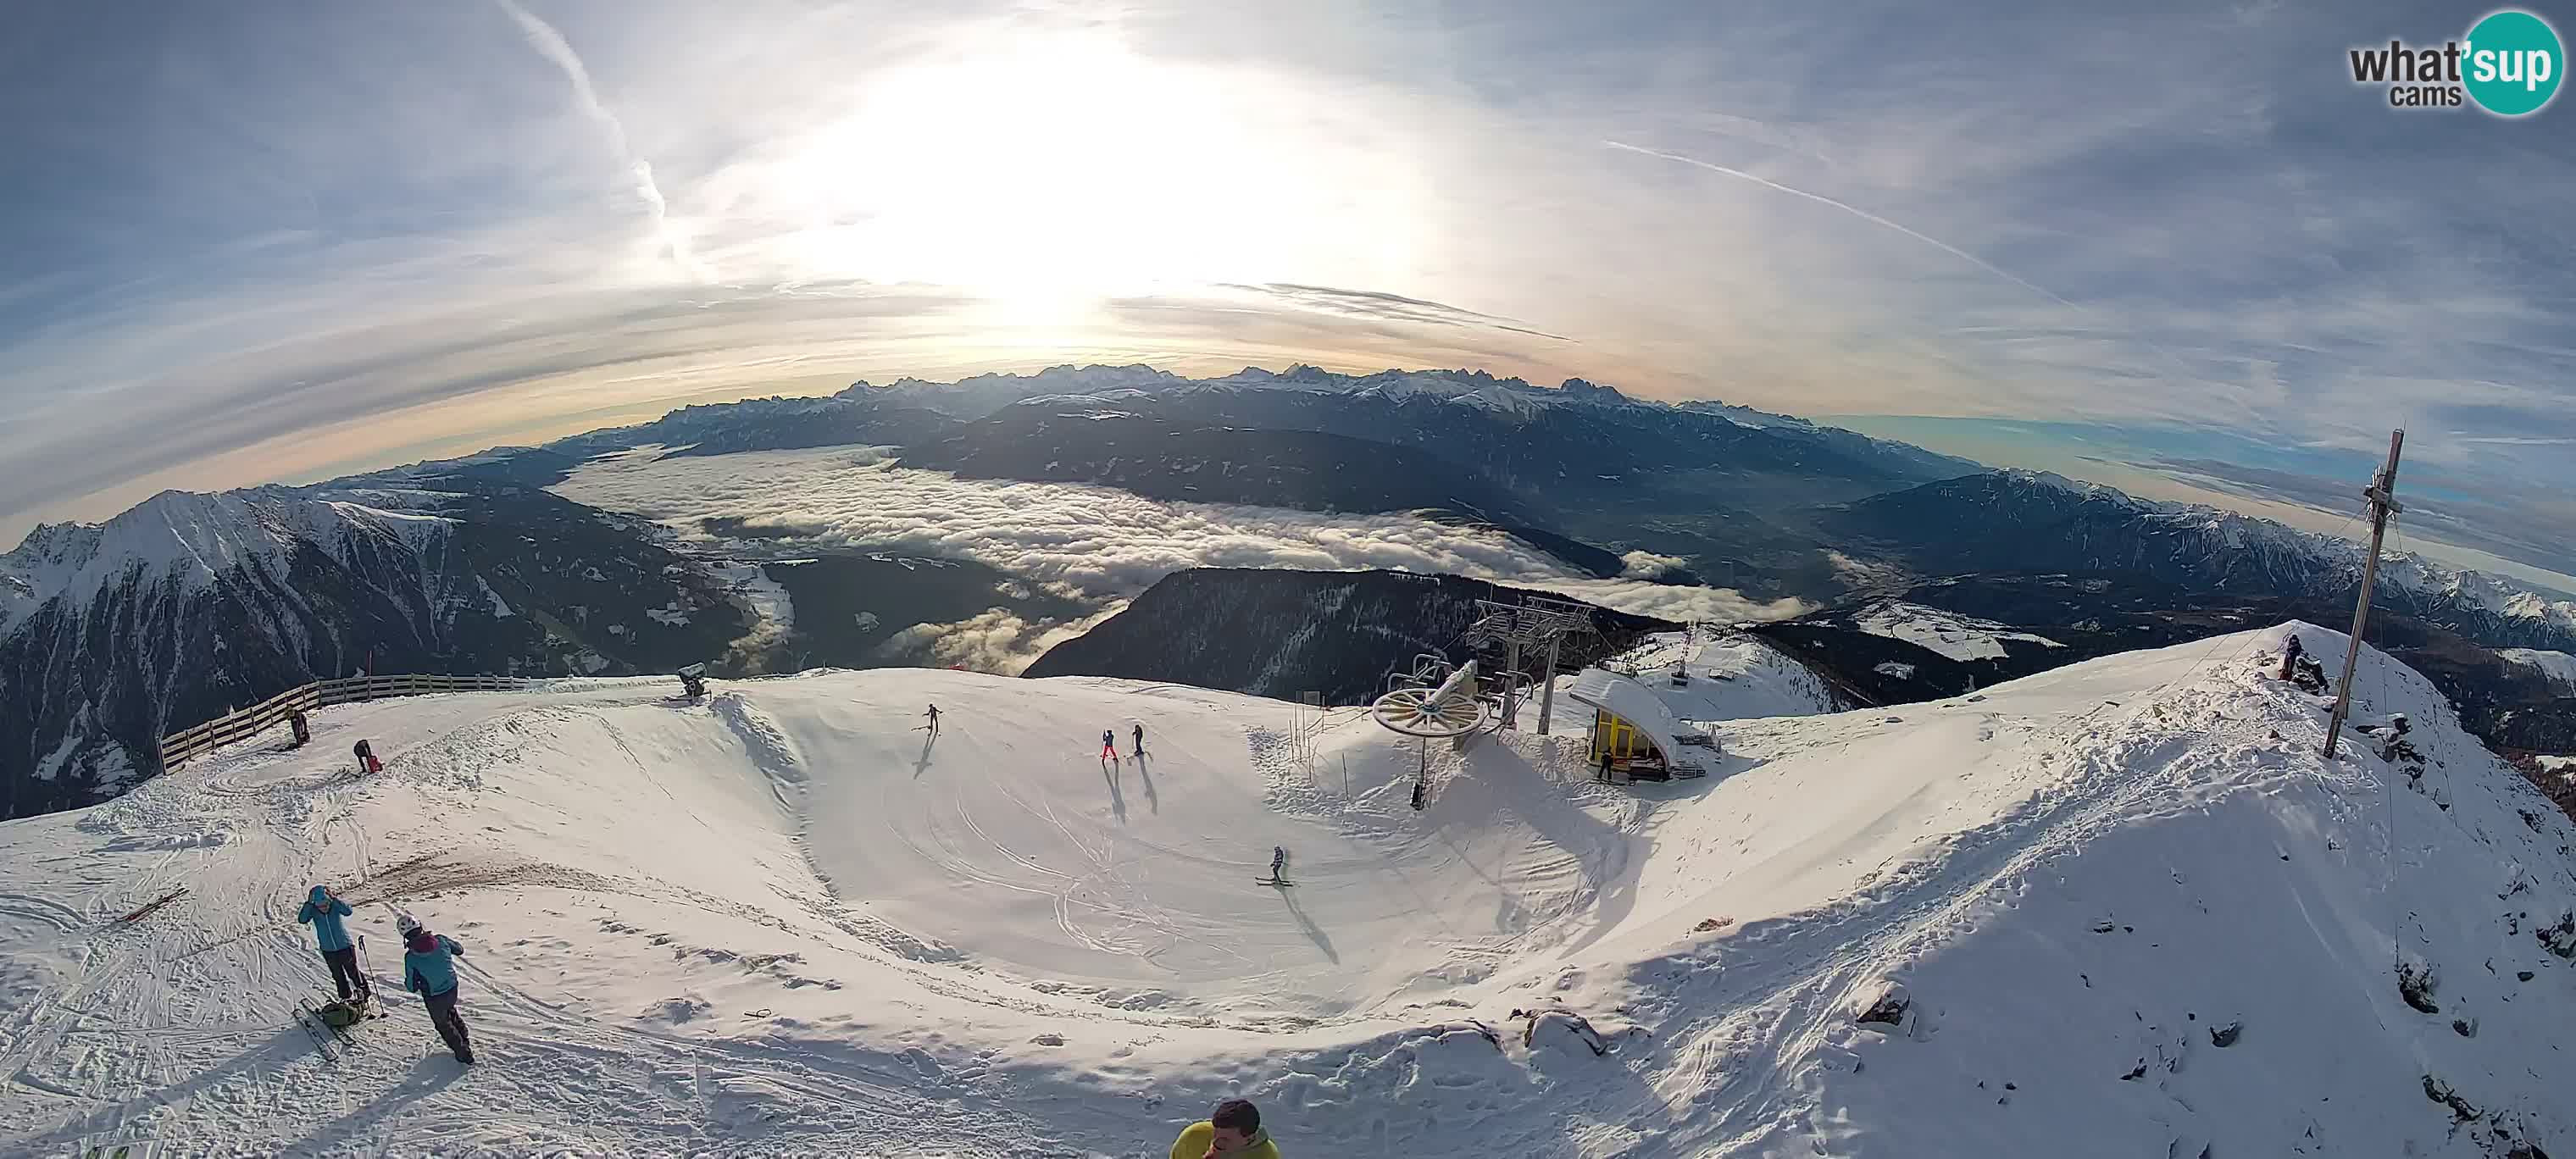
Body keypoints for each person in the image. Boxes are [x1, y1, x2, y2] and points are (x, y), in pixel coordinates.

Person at [400, 917, 475, 1064]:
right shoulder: (440, 940)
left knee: (443, 1024)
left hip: (433, 995)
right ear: (420, 927)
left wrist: (415, 983)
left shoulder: (411, 957)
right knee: (449, 1009)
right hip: (452, 987)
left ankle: (464, 1054)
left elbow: (411, 986)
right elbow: (459, 950)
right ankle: (464, 1036)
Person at [297, 885, 367, 1002]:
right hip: (328, 950)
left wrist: (334, 898)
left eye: (326, 904)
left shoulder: (335, 907)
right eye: (320, 905)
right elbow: (302, 919)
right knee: (338, 976)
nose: (323, 908)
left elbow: (348, 911)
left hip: (345, 946)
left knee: (353, 972)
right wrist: (309, 903)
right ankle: (345, 997)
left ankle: (365, 995)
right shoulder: (313, 910)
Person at [1169, 1098, 1280, 1159]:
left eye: (1225, 1139)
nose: (1215, 1143)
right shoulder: (1193, 1137)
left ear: (1249, 1139)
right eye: (1215, 1133)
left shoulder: (1267, 1156)